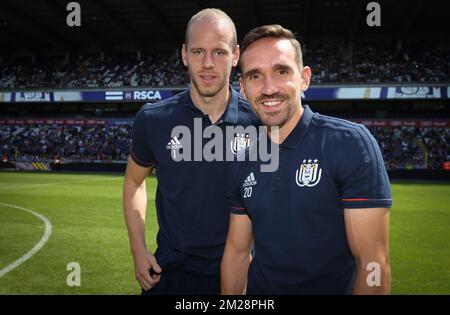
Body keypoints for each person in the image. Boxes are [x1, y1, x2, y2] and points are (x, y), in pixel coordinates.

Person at [221, 24, 392, 294]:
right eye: (255, 76)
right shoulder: (242, 159)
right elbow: (237, 252)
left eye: (281, 72)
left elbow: (373, 263)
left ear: (304, 78)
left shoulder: (349, 143)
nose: (268, 88)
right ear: (242, 87)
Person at [123, 9, 258, 295]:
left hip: (242, 277)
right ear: (184, 54)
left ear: (235, 56)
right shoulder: (153, 119)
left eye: (219, 52)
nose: (208, 64)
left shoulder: (261, 123)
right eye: (198, 52)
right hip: (169, 276)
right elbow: (134, 181)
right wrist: (138, 249)